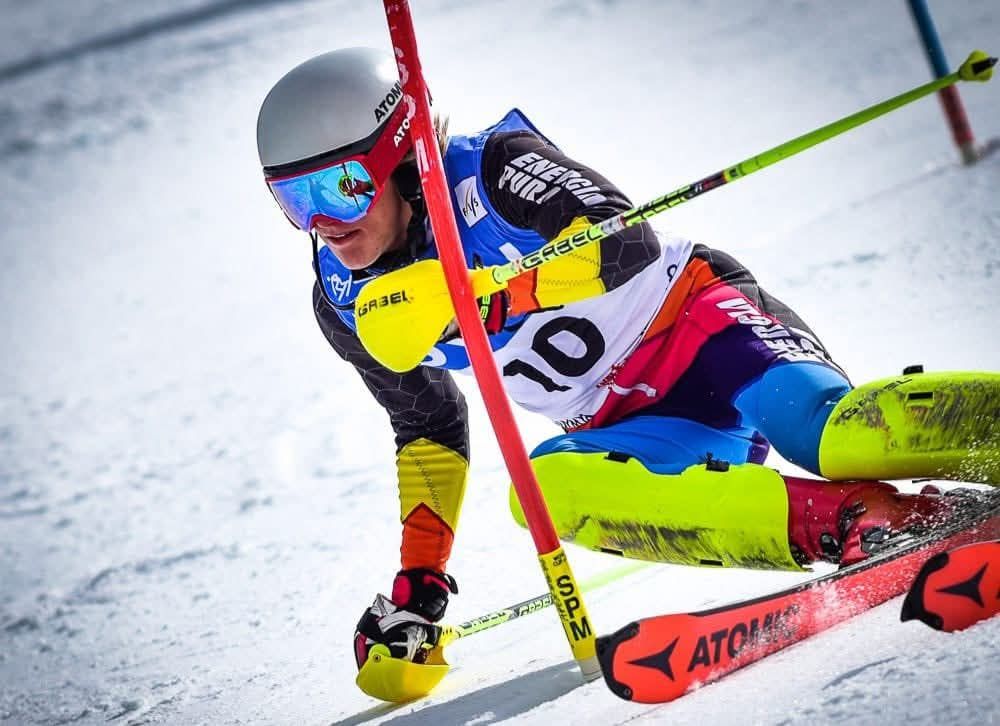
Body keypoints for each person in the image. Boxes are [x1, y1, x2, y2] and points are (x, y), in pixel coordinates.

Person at [256, 48, 997, 670]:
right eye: (293, 201)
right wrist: (421, 578)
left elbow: (623, 239)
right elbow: (428, 428)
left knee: (830, 435)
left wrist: (489, 297)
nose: (324, 223)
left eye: (342, 188)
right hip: (635, 425)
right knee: (540, 495)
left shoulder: (492, 171)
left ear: (402, 160)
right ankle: (866, 521)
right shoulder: (342, 300)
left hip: (705, 328)